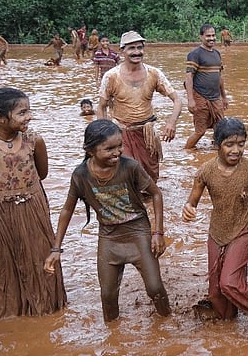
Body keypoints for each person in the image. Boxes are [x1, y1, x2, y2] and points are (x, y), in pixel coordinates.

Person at [45, 119, 171, 322]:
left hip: (138, 231)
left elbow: (156, 194)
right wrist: (56, 248)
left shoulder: (130, 167)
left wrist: (157, 233)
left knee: (155, 288)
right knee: (108, 295)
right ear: (91, 150)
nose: (117, 152)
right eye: (109, 148)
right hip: (109, 237)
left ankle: (167, 322)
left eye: (120, 146)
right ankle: (113, 337)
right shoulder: (81, 175)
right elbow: (67, 210)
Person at [0, 88, 67, 321]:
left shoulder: (35, 141)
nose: (29, 117)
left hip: (32, 210)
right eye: (22, 113)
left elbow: (41, 174)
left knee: (40, 261)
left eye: (29, 111)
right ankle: (4, 316)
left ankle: (43, 311)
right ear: (1, 118)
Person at [182, 118, 248, 320]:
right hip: (217, 232)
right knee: (216, 294)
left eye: (241, 144)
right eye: (229, 144)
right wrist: (188, 209)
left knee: (229, 283)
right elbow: (193, 201)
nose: (236, 150)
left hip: (244, 229)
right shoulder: (205, 171)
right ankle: (230, 327)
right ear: (217, 145)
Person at [98, 30, 182, 183]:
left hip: (147, 133)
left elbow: (177, 100)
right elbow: (102, 107)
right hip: (121, 132)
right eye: (131, 48)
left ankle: (149, 205)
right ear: (122, 51)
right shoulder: (111, 76)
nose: (136, 52)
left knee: (151, 179)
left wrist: (171, 123)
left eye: (139, 48)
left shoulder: (154, 74)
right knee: (127, 175)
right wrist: (104, 135)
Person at [185, 23, 228, 149]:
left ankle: (216, 150)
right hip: (200, 96)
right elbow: (188, 77)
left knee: (220, 128)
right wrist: (190, 100)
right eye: (208, 36)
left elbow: (219, 77)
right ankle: (186, 151)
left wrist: (224, 97)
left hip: (216, 98)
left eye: (213, 35)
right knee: (200, 131)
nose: (211, 38)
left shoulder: (217, 54)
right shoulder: (195, 54)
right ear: (201, 37)